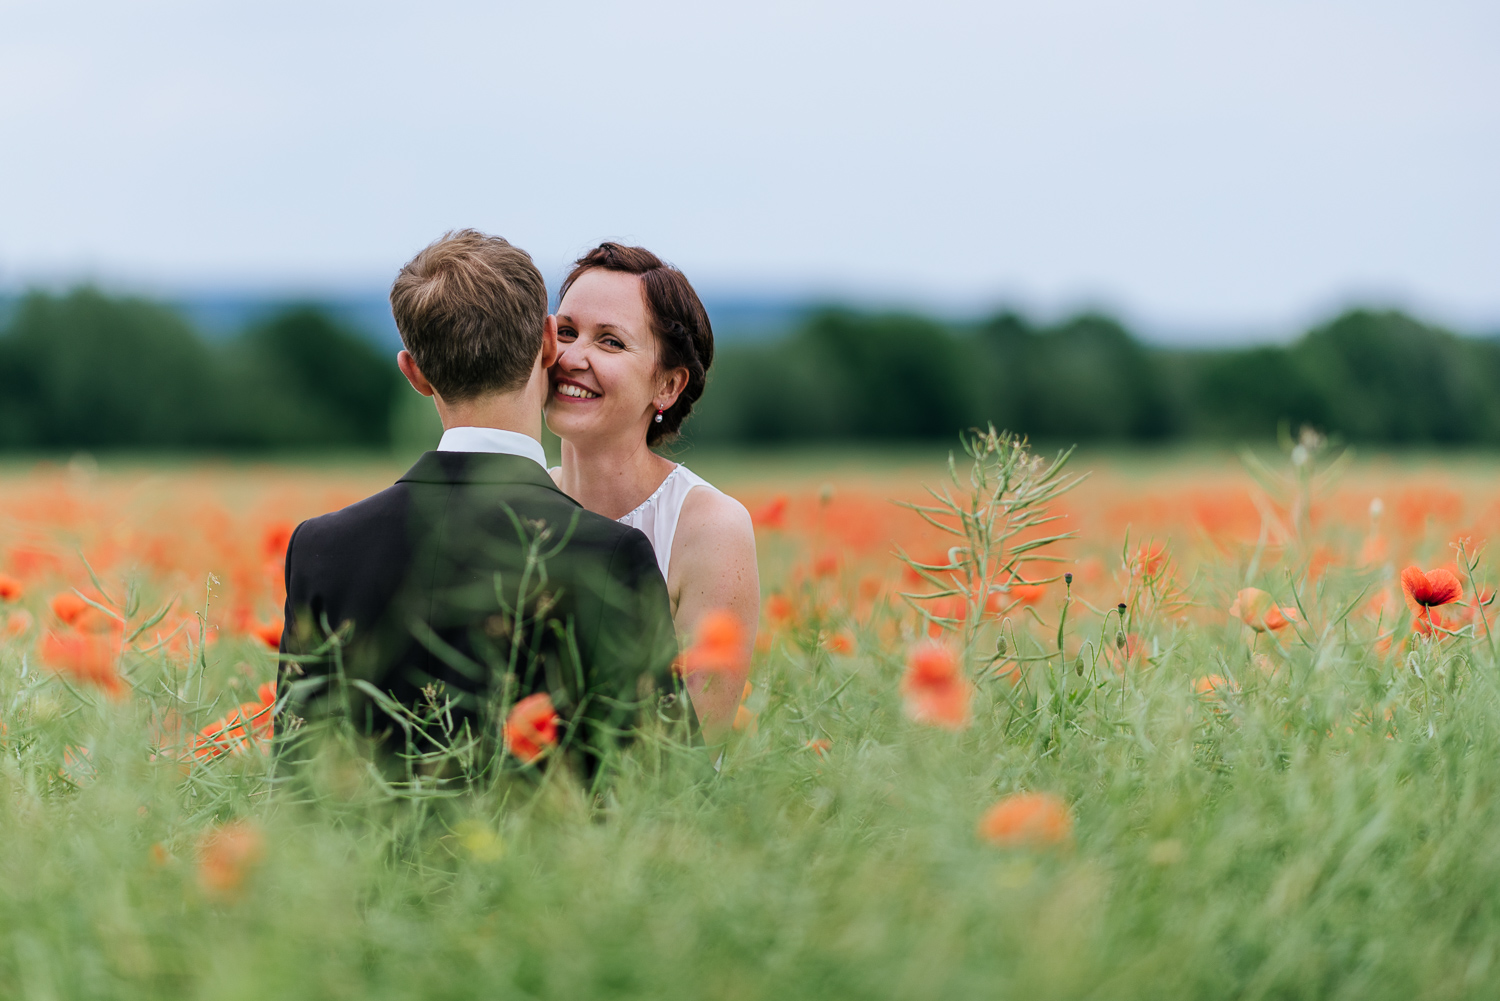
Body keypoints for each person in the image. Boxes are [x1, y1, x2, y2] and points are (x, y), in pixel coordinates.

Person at [277, 230, 681, 771]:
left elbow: (298, 778)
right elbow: (665, 779)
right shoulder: (611, 555)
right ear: (547, 344)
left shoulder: (321, 548)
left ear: (415, 373)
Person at [546, 243, 758, 744]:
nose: (573, 357)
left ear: (667, 385)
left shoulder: (709, 528)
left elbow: (691, 752)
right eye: (567, 332)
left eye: (611, 343)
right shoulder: (516, 498)